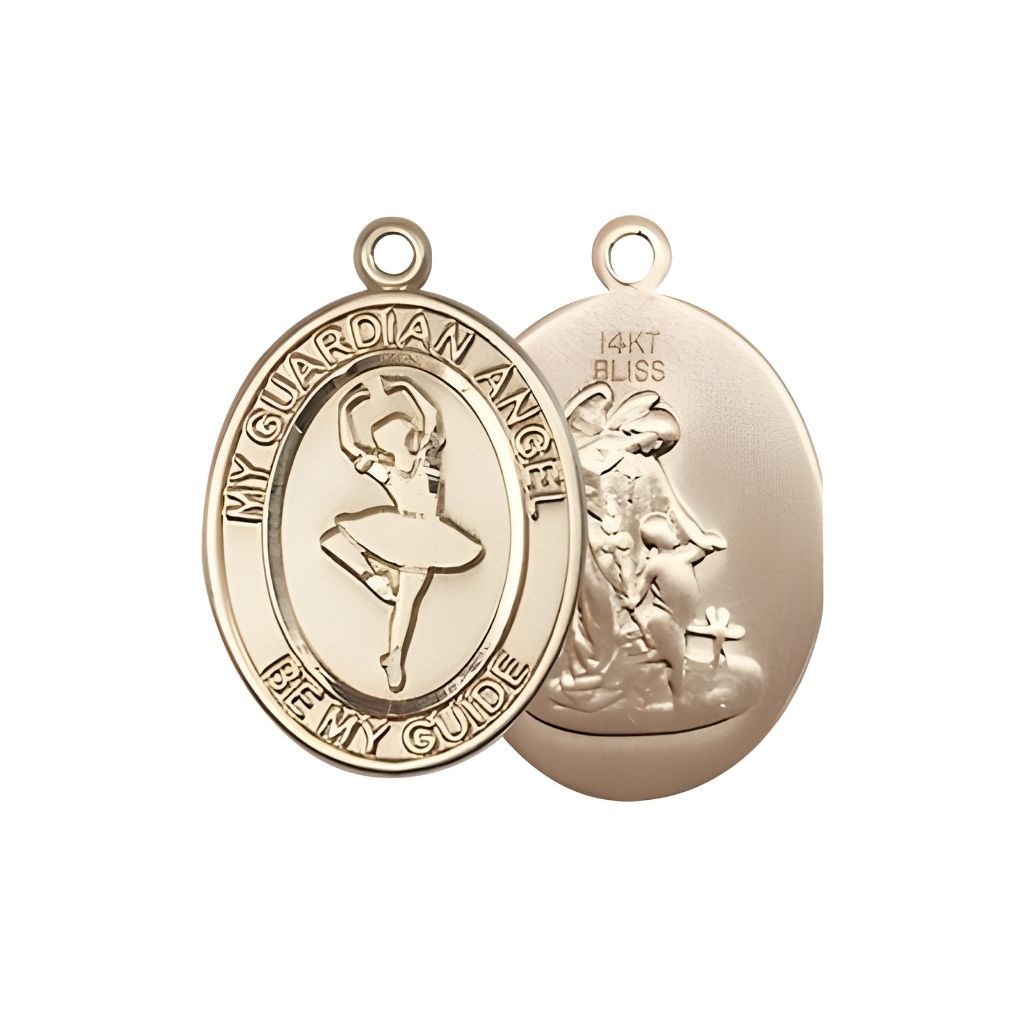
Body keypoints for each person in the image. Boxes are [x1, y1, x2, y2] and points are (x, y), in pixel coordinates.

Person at [320, 374, 481, 694]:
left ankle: (393, 652)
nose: (415, 435)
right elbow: (352, 446)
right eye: (408, 431)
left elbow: (430, 420)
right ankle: (374, 582)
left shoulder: (412, 469)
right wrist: (346, 408)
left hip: (420, 538)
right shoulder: (407, 470)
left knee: (403, 601)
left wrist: (401, 386)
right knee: (339, 539)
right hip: (414, 534)